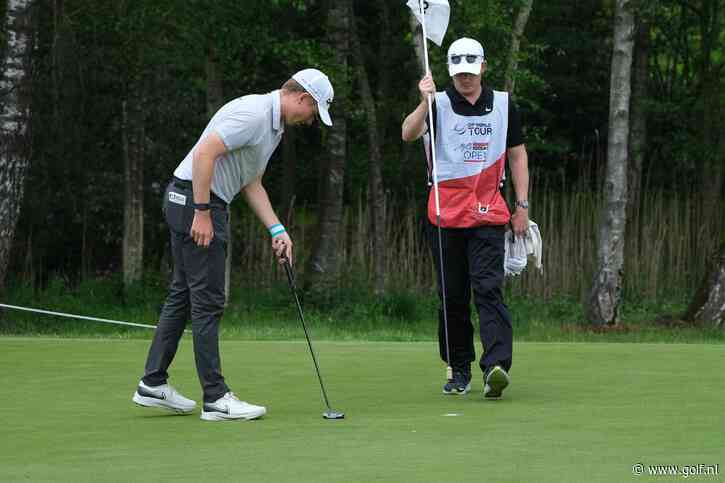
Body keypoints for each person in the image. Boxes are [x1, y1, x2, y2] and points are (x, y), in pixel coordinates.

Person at [132, 68, 334, 421]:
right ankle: (216, 398)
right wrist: (203, 211)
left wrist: (276, 229)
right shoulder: (255, 115)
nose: (310, 119)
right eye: (313, 112)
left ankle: (153, 382)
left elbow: (250, 182)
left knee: (183, 295)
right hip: (197, 200)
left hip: (192, 199)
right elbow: (204, 154)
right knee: (208, 301)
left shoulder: (273, 128)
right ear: (303, 98)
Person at [401, 38, 529, 399]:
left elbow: (517, 156)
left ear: (483, 68)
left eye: (471, 72)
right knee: (452, 297)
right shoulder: (436, 104)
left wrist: (522, 206)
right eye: (458, 73)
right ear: (450, 72)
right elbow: (408, 133)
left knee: (488, 289)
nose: (465, 79)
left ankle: (496, 367)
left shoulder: (504, 104)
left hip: (489, 214)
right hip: (444, 216)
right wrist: (422, 100)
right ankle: (459, 370)